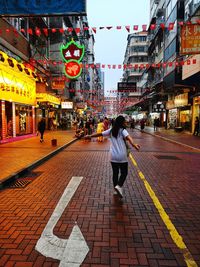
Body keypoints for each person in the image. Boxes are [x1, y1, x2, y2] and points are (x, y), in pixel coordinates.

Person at [85, 115, 140, 198]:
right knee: (124, 173)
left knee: (115, 173)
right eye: (124, 121)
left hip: (113, 156)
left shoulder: (111, 130)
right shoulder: (123, 130)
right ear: (121, 122)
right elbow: (129, 138)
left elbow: (100, 134)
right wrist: (134, 144)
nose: (126, 123)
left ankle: (115, 190)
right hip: (122, 156)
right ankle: (119, 185)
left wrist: (90, 136)